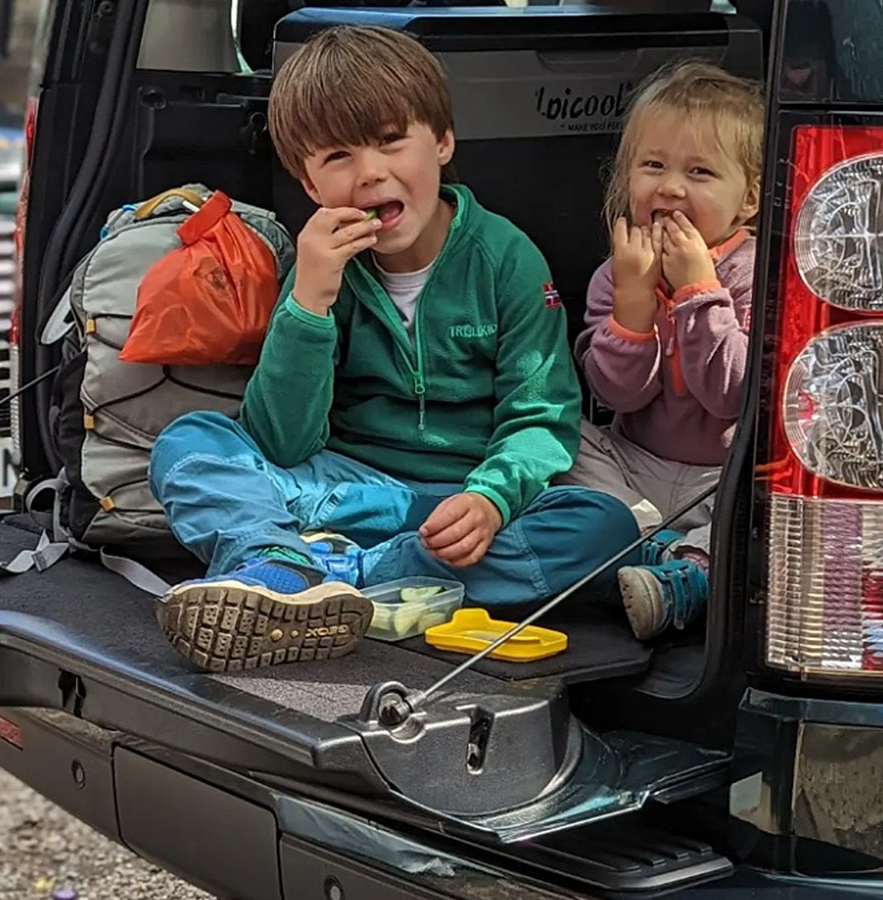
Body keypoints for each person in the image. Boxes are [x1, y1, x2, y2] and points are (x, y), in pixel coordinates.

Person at [148, 25, 637, 671]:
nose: (370, 172)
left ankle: (330, 576)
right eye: (337, 157)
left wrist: (491, 499)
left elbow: (541, 415)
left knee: (604, 529)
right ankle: (277, 561)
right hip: (340, 490)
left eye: (389, 142)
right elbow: (283, 443)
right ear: (309, 182)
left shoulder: (507, 259)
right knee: (190, 442)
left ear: (441, 141)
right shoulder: (324, 266)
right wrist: (310, 302)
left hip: (457, 502)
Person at [557, 61, 762, 641]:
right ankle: (656, 546)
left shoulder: (756, 275)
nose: (670, 187)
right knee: (557, 436)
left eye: (699, 171)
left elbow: (734, 396)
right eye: (653, 166)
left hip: (719, 479)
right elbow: (615, 392)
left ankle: (687, 576)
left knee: (769, 502)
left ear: (747, 198)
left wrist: (699, 291)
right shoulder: (618, 272)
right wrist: (633, 303)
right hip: (634, 471)